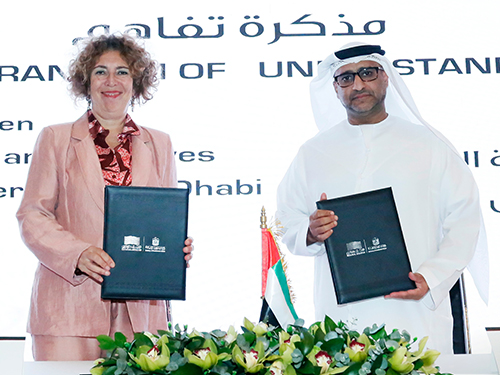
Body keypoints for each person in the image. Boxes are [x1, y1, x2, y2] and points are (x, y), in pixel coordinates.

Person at [276, 43, 488, 353]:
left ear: (385, 78)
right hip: (341, 315)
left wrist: (431, 277)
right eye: (346, 78)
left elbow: (465, 220)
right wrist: (309, 232)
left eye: (367, 73)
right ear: (335, 90)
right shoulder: (313, 153)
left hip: (415, 312)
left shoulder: (429, 145)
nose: (358, 84)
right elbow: (286, 217)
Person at [16, 34, 193, 361]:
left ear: (136, 81)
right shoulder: (55, 138)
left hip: (141, 315)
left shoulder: (161, 143)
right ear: (86, 80)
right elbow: (33, 216)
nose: (111, 81)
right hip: (68, 308)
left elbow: (163, 218)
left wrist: (174, 248)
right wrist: (78, 254)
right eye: (100, 71)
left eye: (122, 71)